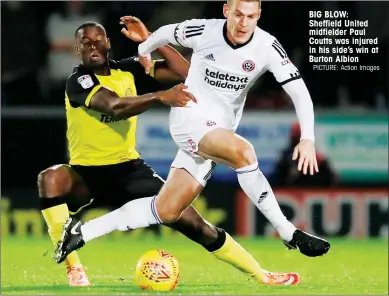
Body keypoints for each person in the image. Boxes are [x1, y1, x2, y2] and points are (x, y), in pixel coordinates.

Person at [56, 0, 331, 278]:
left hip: (218, 129)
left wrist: (307, 137)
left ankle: (83, 231)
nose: (243, 22)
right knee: (243, 152)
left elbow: (299, 91)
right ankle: (287, 231)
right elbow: (164, 33)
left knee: (166, 209)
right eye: (238, 14)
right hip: (190, 118)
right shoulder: (204, 30)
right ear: (227, 11)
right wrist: (145, 51)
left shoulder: (267, 46)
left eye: (250, 16)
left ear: (259, 15)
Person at [270, 122, 339, 188]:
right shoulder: (287, 156)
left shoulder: (318, 157)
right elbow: (278, 177)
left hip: (313, 188)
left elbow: (331, 178)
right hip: (293, 189)